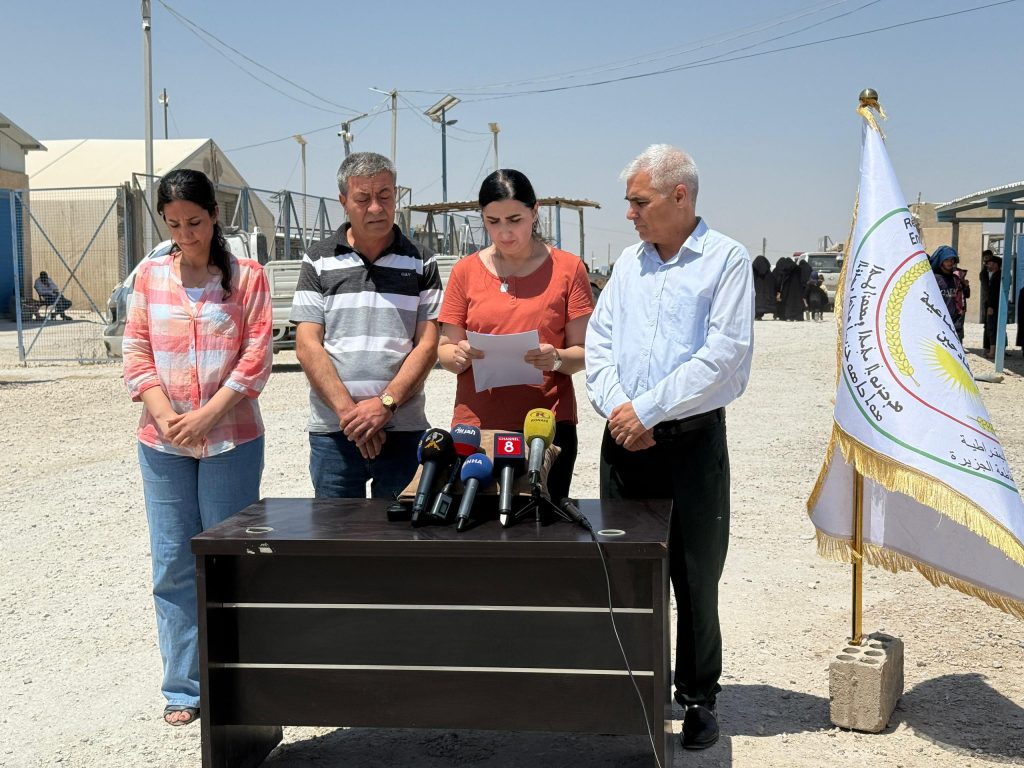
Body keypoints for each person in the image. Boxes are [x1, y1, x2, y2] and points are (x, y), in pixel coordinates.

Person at [586, 144, 753, 750]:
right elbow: (599, 342)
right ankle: (634, 688)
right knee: (626, 572)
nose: (629, 213)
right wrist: (621, 410)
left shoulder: (726, 261)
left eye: (639, 201)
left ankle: (699, 697)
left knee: (695, 574)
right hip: (624, 442)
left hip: (689, 445)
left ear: (679, 196)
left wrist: (650, 411)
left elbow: (724, 356)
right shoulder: (629, 266)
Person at [122, 168, 272, 726]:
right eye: (174, 224)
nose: (185, 234)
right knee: (173, 562)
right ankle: (184, 688)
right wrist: (166, 416)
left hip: (231, 438)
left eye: (195, 222)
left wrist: (208, 415)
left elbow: (255, 356)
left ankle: (235, 679)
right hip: (163, 444)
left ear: (214, 216)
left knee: (229, 560)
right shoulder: (149, 276)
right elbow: (136, 350)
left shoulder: (248, 277)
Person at [291, 152, 442, 499]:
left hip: (403, 431)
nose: (376, 208)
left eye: (385, 195)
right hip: (335, 434)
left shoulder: (422, 261)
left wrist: (384, 405)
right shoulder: (317, 259)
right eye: (363, 198)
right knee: (336, 532)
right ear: (343, 201)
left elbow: (428, 344)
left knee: (401, 531)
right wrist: (353, 417)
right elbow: (307, 345)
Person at [437, 169, 593, 502]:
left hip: (547, 428)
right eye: (493, 222)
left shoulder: (569, 269)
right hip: (476, 430)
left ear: (535, 212)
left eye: (514, 220)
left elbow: (584, 352)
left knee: (545, 527)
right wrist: (458, 355)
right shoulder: (465, 271)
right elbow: (445, 349)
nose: (504, 232)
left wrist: (556, 358)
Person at [929, 245, 970, 342]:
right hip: (939, 320)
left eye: (952, 260)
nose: (950, 262)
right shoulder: (934, 278)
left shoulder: (957, 278)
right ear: (941, 261)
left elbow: (966, 296)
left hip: (956, 321)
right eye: (947, 260)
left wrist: (965, 286)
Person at [983, 253, 1002, 359]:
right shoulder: (994, 275)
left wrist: (991, 306)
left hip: (993, 307)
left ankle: (993, 352)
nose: (987, 265)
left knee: (992, 328)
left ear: (995, 264)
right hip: (992, 306)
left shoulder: (997, 277)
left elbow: (994, 294)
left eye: (989, 263)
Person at [751, 254, 773, 320]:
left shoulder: (754, 271)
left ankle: (756, 315)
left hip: (757, 289)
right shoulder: (768, 272)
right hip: (765, 291)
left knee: (757, 301)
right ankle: (760, 315)